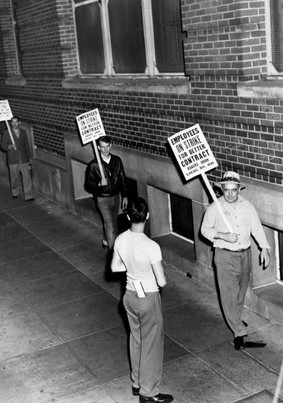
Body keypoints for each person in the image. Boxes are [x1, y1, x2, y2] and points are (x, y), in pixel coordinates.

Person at [111, 198, 173, 403]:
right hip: (148, 298)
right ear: (147, 216)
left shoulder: (120, 239)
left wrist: (133, 268)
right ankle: (149, 392)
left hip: (129, 296)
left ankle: (137, 383)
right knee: (152, 346)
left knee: (136, 339)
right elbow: (162, 282)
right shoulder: (151, 246)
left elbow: (114, 268)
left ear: (128, 216)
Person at [200, 171, 271, 350]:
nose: (230, 194)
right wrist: (222, 235)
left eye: (234, 190)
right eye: (227, 190)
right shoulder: (214, 207)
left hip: (244, 253)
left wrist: (264, 248)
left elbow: (256, 228)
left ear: (239, 188)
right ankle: (239, 333)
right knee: (229, 295)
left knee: (240, 291)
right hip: (224, 255)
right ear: (222, 189)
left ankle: (235, 318)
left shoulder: (247, 206)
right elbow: (204, 230)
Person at [85, 136, 128, 249]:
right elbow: (88, 185)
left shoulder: (117, 160)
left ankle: (106, 239)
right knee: (110, 225)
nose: (105, 149)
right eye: (102, 147)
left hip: (115, 196)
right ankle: (113, 254)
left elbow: (122, 178)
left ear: (110, 146)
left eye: (107, 146)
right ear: (98, 147)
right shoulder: (94, 165)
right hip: (102, 198)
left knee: (114, 223)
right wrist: (99, 183)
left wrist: (125, 195)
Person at [0, 116, 35, 201]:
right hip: (13, 159)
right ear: (10, 123)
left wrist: (29, 157)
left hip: (23, 158)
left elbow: (26, 145)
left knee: (26, 177)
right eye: (13, 122)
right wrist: (10, 146)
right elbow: (2, 146)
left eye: (16, 122)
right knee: (14, 177)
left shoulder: (23, 132)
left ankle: (28, 195)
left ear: (19, 123)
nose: (14, 124)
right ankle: (15, 192)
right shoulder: (7, 133)